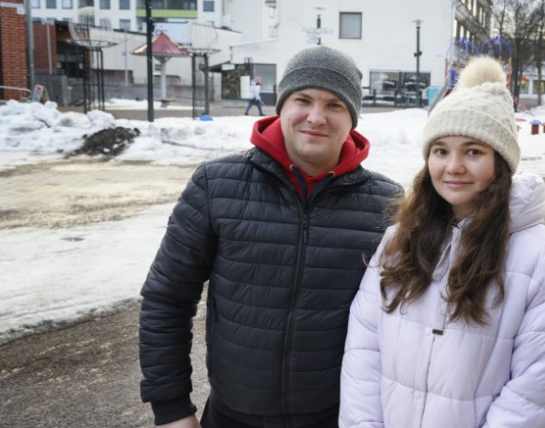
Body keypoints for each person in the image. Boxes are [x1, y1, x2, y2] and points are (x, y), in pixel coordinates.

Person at [140, 45, 402, 428]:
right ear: (281, 106)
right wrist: (172, 407)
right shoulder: (216, 185)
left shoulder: (388, 204)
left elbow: (408, 321)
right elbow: (167, 298)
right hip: (234, 416)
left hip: (338, 416)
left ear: (352, 120)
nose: (316, 117)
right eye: (304, 99)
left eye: (334, 105)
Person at [339, 57, 545, 428]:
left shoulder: (544, 262)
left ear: (500, 163)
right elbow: (363, 353)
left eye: (473, 151)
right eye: (441, 150)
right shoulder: (398, 241)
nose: (453, 166)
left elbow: (537, 395)